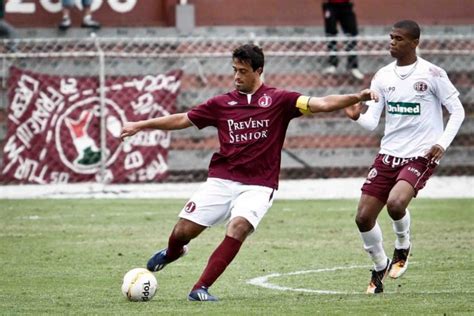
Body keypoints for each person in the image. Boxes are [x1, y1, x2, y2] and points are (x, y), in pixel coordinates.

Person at [120, 44, 378, 301]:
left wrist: (356, 97)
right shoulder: (221, 103)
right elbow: (182, 119)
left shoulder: (280, 100)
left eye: (242, 71)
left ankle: (200, 287)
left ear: (259, 71)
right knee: (182, 232)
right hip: (221, 180)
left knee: (238, 227)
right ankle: (173, 253)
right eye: (234, 70)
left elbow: (321, 103)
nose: (236, 76)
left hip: (258, 185)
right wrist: (140, 125)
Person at [344, 20, 465, 294]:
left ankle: (402, 246)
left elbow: (458, 111)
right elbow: (372, 121)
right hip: (389, 154)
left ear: (414, 43)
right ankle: (379, 265)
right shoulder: (382, 76)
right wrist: (357, 116)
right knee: (363, 217)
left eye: (398, 38)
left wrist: (441, 143)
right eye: (391, 37)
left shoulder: (432, 74)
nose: (392, 42)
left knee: (396, 204)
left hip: (421, 154)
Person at [321, 0, 364, 80]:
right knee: (330, 34)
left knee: (352, 35)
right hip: (330, 5)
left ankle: (353, 66)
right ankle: (333, 64)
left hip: (346, 5)